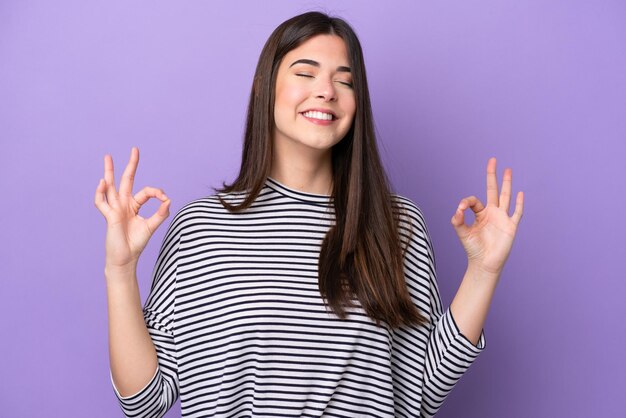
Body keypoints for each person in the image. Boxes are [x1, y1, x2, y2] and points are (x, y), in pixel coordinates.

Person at [94, 11, 523, 418]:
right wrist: (121, 269)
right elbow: (145, 402)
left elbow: (419, 394)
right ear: (264, 87)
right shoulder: (200, 227)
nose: (327, 91)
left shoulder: (395, 224)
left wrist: (483, 272)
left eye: (345, 81)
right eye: (305, 73)